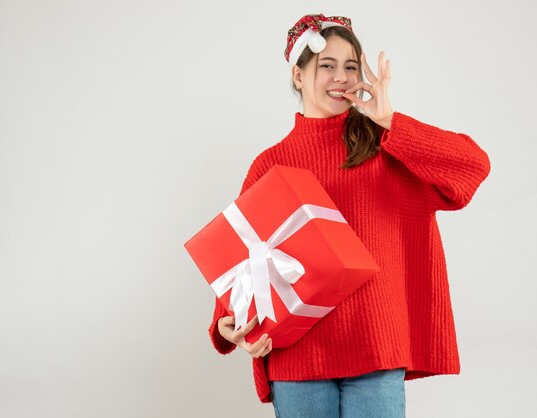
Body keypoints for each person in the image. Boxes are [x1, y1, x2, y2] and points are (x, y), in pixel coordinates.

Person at [208, 13, 491, 418]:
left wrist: (391, 122)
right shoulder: (270, 165)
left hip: (374, 348)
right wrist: (226, 322)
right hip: (298, 355)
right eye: (327, 66)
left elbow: (472, 166)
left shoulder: (388, 148)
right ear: (298, 76)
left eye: (350, 67)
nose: (340, 77)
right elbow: (241, 263)